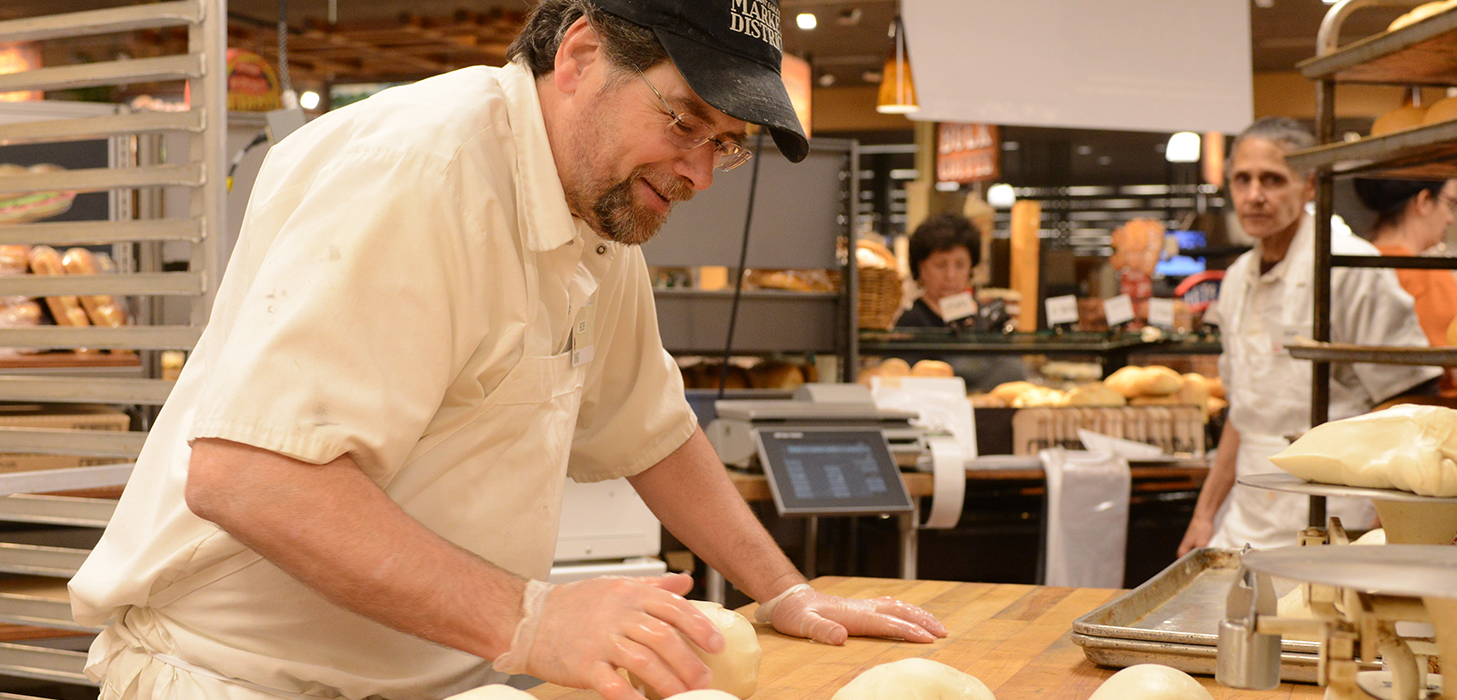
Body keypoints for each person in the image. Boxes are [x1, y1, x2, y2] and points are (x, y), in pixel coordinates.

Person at [68, 3, 947, 700]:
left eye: (728, 146)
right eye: (684, 121)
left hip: (439, 683)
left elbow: (652, 430)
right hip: (240, 682)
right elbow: (250, 475)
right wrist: (533, 622)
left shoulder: (597, 214)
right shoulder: (418, 172)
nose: (701, 174)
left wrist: (785, 591)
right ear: (579, 57)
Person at [1179, 118, 1441, 554]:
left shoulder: (1348, 266)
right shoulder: (1237, 278)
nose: (1254, 195)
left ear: (1310, 186)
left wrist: (1390, 522)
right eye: (1242, 180)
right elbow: (1245, 415)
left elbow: (1411, 400)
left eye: (1273, 180)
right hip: (1249, 512)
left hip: (1339, 512)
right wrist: (1204, 516)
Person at [1353, 178, 1457, 398]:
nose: (1450, 219)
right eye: (1450, 204)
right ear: (1424, 201)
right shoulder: (1426, 276)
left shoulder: (1353, 267)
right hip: (1429, 420)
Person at [892, 214, 1026, 390]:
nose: (950, 276)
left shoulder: (987, 315)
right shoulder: (911, 321)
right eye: (940, 265)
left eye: (960, 265)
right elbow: (898, 382)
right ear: (921, 268)